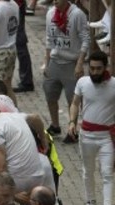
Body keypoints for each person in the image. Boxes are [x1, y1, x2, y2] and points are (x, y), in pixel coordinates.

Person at [68, 50, 115, 205]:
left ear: (106, 67)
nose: (94, 72)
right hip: (86, 135)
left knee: (107, 173)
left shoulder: (114, 85)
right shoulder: (82, 83)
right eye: (92, 68)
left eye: (98, 68)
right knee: (88, 171)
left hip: (106, 138)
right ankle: (90, 203)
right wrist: (72, 121)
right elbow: (75, 103)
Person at [43, 0, 89, 143]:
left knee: (72, 100)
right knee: (50, 94)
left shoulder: (77, 15)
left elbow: (85, 39)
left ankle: (72, 130)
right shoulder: (50, 13)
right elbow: (49, 39)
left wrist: (80, 63)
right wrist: (46, 63)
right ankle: (55, 125)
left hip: (71, 62)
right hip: (55, 61)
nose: (55, 1)